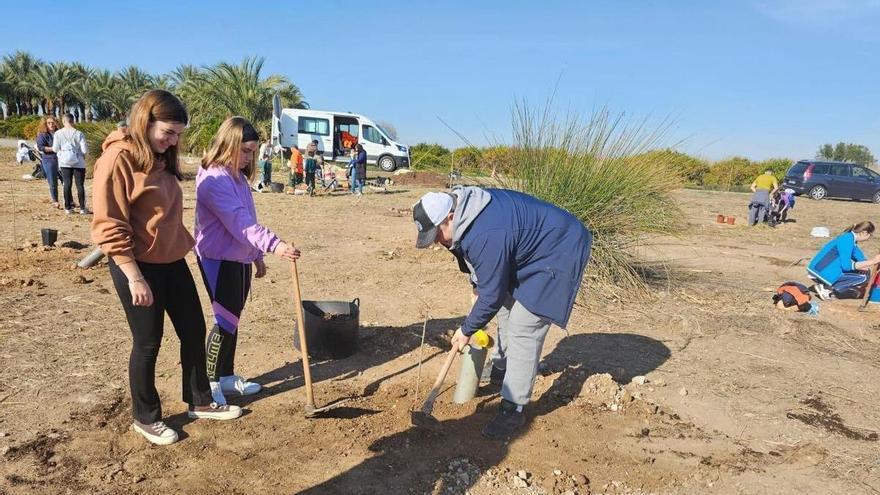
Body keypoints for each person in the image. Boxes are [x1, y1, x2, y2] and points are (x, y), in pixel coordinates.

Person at [91, 90, 242, 446]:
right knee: (148, 342)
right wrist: (134, 276)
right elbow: (109, 224)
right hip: (137, 265)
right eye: (168, 133)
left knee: (193, 328)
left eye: (178, 134)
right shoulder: (117, 160)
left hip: (172, 260)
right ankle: (146, 417)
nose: (173, 141)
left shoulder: (161, 158)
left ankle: (200, 400)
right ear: (145, 121)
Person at [412, 186, 592, 439]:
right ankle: (502, 367)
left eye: (437, 235)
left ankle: (513, 408)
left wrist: (466, 330)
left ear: (450, 217)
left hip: (559, 248)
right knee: (507, 308)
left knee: (524, 326)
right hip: (526, 248)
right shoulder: (464, 213)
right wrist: (477, 286)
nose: (439, 243)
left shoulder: (487, 232)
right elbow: (478, 264)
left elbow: (491, 293)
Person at [194, 116, 301, 405]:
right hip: (218, 259)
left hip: (238, 258)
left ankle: (226, 376)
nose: (248, 158)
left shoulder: (237, 177)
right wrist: (274, 245)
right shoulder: (214, 179)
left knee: (233, 319)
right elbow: (239, 223)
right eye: (244, 151)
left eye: (252, 152)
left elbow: (247, 219)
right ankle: (210, 382)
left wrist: (255, 256)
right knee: (224, 321)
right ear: (228, 144)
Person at [807, 221, 880, 301]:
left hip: (823, 269)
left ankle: (827, 285)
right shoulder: (847, 239)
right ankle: (826, 288)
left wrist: (867, 265)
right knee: (864, 277)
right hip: (820, 271)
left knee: (865, 273)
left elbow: (860, 258)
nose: (869, 238)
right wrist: (872, 261)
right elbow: (846, 266)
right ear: (864, 232)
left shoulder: (851, 239)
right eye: (870, 235)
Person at [52, 113, 89, 214]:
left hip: (64, 162)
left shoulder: (58, 133)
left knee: (67, 184)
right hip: (79, 162)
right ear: (73, 121)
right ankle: (82, 208)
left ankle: (68, 208)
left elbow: (55, 149)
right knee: (80, 185)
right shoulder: (79, 133)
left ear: (64, 121)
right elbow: (84, 150)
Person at [35, 116, 60, 209]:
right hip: (49, 160)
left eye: (53, 122)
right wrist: (53, 149)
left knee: (66, 181)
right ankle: (55, 200)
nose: (51, 125)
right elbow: (41, 147)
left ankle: (70, 200)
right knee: (53, 181)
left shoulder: (60, 133)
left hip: (61, 159)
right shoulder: (42, 135)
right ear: (45, 124)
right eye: (49, 123)